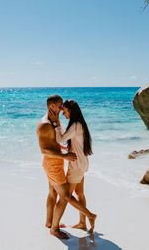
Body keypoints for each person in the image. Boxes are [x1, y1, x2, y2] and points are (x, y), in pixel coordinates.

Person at [37, 95, 96, 240]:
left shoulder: (57, 122)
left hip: (64, 162)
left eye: (64, 108)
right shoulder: (46, 124)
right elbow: (44, 150)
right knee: (65, 196)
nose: (62, 110)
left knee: (54, 193)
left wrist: (63, 151)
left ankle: (50, 222)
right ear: (52, 106)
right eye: (59, 106)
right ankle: (56, 228)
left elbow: (57, 141)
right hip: (54, 163)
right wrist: (64, 155)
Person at [49, 99, 94, 232]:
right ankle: (82, 223)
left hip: (77, 165)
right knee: (80, 193)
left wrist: (55, 122)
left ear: (71, 111)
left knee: (65, 196)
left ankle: (90, 216)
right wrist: (64, 148)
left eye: (65, 111)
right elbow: (76, 144)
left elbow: (60, 138)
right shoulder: (80, 124)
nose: (63, 114)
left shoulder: (75, 125)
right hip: (82, 162)